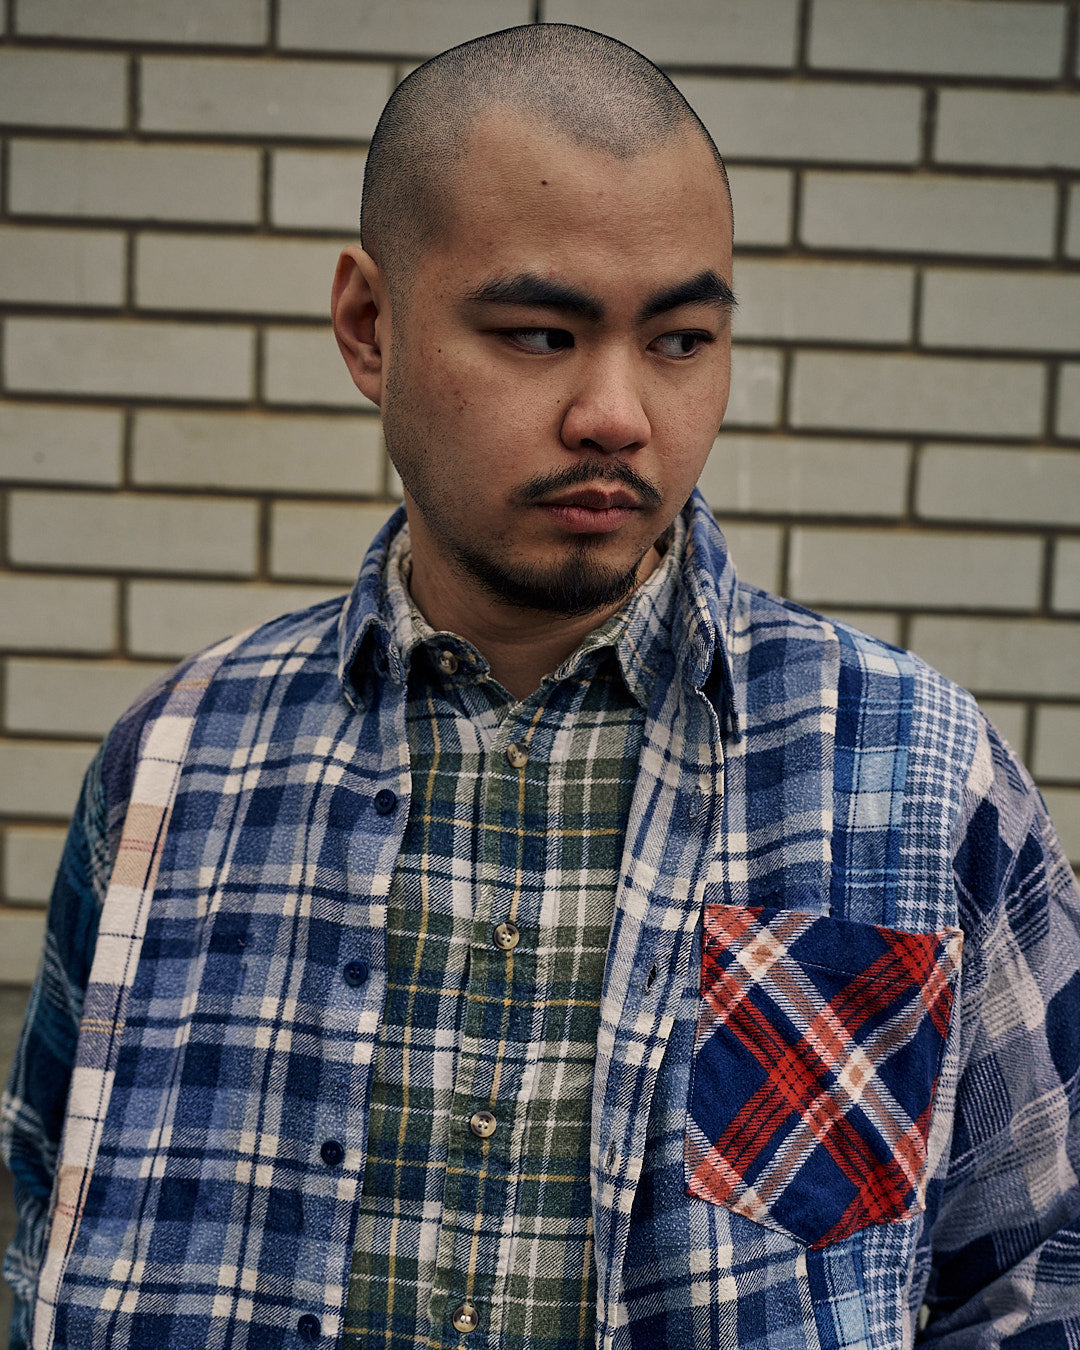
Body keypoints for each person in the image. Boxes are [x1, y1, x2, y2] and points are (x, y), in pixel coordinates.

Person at [3, 21, 1079, 1350]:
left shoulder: (915, 776)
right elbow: (44, 1213)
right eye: (537, 332)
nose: (618, 414)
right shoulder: (174, 766)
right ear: (369, 327)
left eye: (679, 339)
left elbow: (1041, 1274)